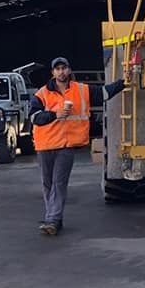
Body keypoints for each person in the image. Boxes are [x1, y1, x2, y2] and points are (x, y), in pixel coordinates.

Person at [29, 56, 124, 235]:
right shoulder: (42, 94)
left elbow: (105, 93)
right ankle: (55, 218)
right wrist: (55, 114)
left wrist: (124, 82)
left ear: (69, 70)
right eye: (57, 69)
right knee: (47, 184)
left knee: (58, 183)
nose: (61, 72)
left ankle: (52, 220)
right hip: (45, 145)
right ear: (53, 73)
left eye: (64, 68)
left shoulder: (81, 90)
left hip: (66, 146)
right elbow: (35, 118)